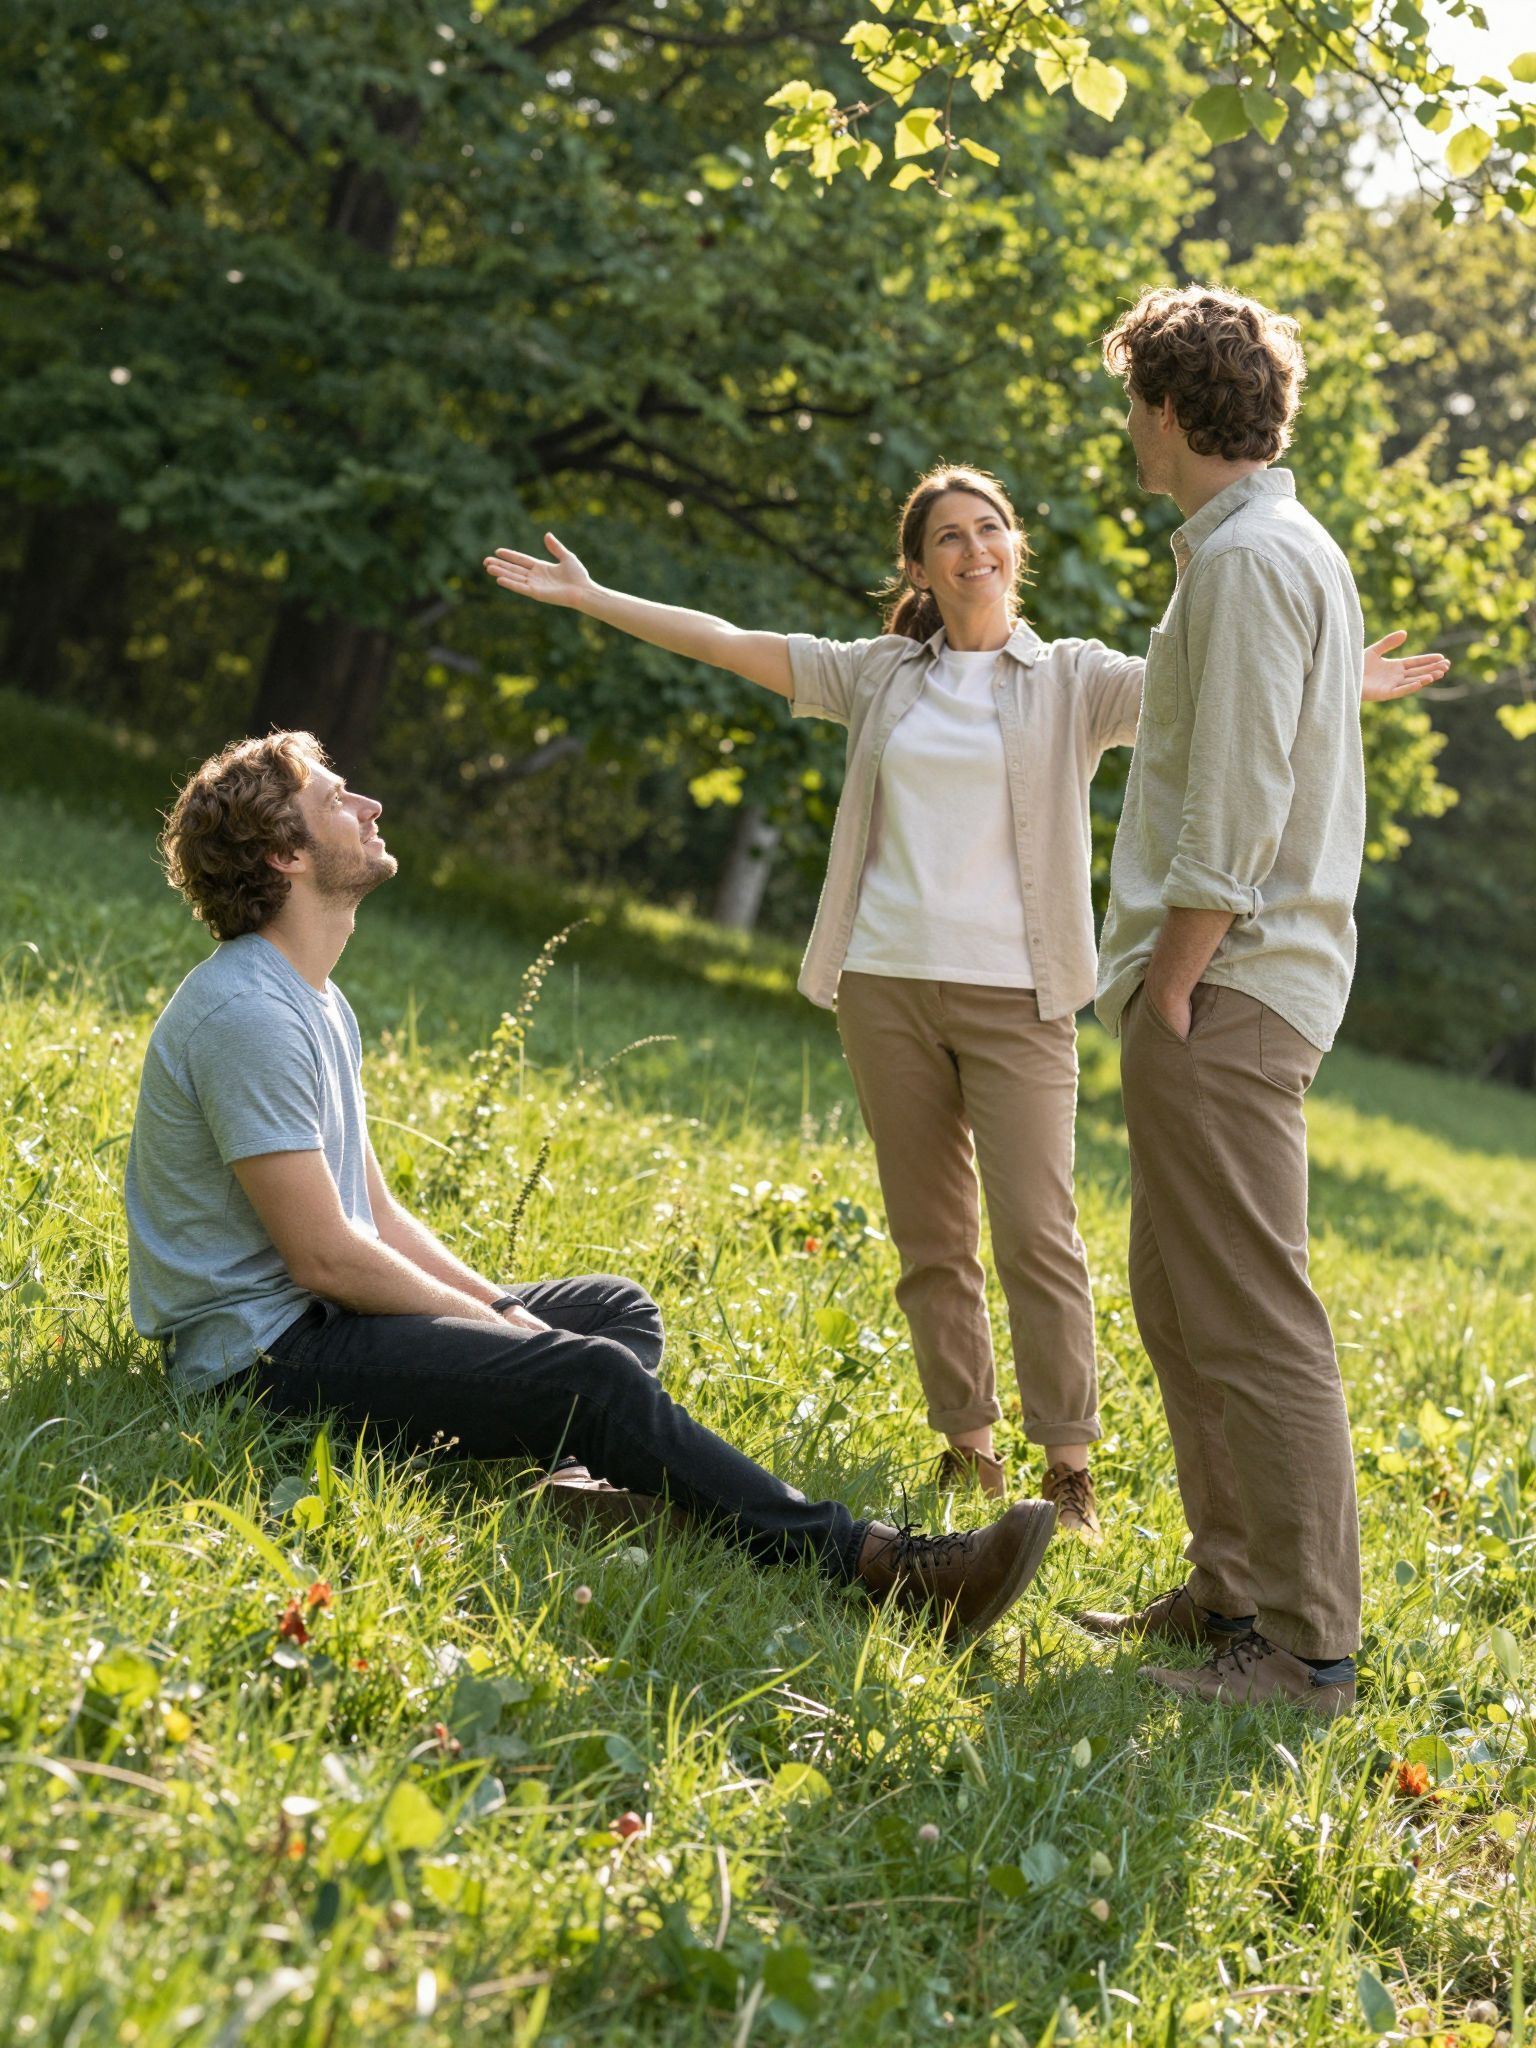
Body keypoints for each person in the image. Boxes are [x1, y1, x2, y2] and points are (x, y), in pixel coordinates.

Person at [483, 474, 1440, 1545]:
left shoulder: (1076, 680)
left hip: (1021, 999)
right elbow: (727, 639)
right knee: (931, 1237)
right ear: (921, 567)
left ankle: (1068, 1466)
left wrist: (1334, 677)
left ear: (1013, 549)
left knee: (1040, 1233)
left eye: (988, 529)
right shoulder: (879, 674)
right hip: (885, 985)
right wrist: (596, 597)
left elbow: (1224, 687)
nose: (973, 548)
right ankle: (966, 1445)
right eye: (949, 536)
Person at [123, 731, 1059, 1645]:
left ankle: (582, 1486)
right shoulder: (250, 1010)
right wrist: (507, 1334)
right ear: (287, 854)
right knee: (593, 1372)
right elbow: (325, 1255)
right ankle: (882, 1565)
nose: (368, 805)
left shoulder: (317, 997)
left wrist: (497, 1308)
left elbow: (377, 1215)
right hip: (260, 1365)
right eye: (337, 799)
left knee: (612, 1311)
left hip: (324, 1324)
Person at [1077, 286, 1439, 1715]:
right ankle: (1227, 1590)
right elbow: (1285, 724)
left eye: (1130, 406)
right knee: (1181, 1300)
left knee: (1254, 1314)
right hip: (1226, 982)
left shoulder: (1244, 562)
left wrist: (1171, 981)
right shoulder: (1276, 549)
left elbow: (1234, 798)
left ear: (1168, 411)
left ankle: (1307, 1651)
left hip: (1223, 985)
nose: (1129, 432)